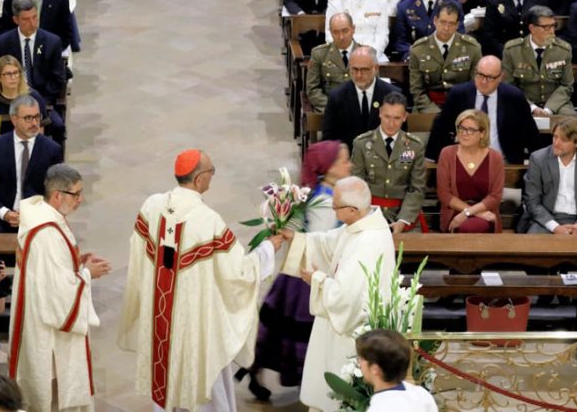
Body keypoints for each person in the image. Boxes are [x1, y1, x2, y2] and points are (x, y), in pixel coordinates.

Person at [118, 149, 286, 411]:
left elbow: (139, 253)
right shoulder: (208, 221)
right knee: (202, 382)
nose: (212, 176)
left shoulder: (151, 206)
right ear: (198, 179)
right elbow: (239, 273)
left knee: (165, 376)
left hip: (160, 319)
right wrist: (267, 249)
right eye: (211, 172)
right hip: (195, 324)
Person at [239, 140, 353, 401]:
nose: (350, 165)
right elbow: (320, 242)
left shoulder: (321, 191)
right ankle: (308, 387)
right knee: (302, 334)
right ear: (328, 167)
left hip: (295, 277)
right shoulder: (324, 200)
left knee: (278, 329)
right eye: (344, 160)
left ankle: (256, 371)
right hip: (307, 280)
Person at [279, 176, 396, 412]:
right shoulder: (359, 225)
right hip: (338, 324)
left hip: (352, 330)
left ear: (352, 209)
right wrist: (298, 239)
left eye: (336, 207)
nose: (333, 211)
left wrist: (317, 279)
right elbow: (328, 244)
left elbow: (347, 297)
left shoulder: (369, 241)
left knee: (340, 390)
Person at [10, 164, 111, 411]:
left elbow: (48, 270)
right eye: (76, 194)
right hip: (48, 330)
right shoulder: (46, 232)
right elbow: (58, 293)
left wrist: (78, 262)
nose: (80, 199)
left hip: (38, 314)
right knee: (52, 393)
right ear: (57, 195)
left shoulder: (43, 217)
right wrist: (87, 274)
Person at [426, 56, 540, 164]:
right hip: (464, 162)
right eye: (480, 75)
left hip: (504, 162)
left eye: (490, 77)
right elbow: (440, 128)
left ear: (500, 77)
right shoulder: (458, 94)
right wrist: (430, 160)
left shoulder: (514, 97)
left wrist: (540, 163)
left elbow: (530, 132)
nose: (484, 81)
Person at [0, 94, 62, 232]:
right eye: (28, 118)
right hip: (1, 216)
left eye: (37, 117)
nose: (34, 123)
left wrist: (32, 215)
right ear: (14, 119)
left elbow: (55, 191)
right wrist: (4, 213)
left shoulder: (52, 150)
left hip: (38, 216)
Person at [352, 92, 426, 234]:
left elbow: (417, 188)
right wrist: (367, 217)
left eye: (397, 118)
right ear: (380, 113)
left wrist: (403, 220)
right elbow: (357, 185)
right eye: (387, 117)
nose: (391, 123)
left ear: (405, 117)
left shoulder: (415, 146)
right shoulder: (362, 144)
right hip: (369, 212)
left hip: (403, 213)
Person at [437, 109, 505, 233]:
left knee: (472, 227)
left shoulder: (495, 157)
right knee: (468, 227)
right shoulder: (447, 153)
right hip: (455, 212)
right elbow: (444, 194)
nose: (464, 133)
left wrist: (470, 212)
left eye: (471, 130)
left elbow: (495, 197)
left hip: (485, 212)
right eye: (461, 128)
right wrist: (471, 212)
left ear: (482, 133)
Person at [322, 45, 400, 150]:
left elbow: (399, 139)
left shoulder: (392, 95)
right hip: (349, 157)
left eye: (364, 70)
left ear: (376, 68)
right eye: (354, 69)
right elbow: (328, 139)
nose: (358, 75)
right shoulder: (337, 97)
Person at [502, 5, 576, 116]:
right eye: (546, 27)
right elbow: (509, 86)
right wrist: (532, 107)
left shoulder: (563, 50)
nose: (552, 31)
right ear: (532, 28)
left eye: (553, 26)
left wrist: (549, 109)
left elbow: (567, 86)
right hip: (523, 103)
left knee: (571, 120)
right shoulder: (512, 50)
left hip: (556, 104)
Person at [408, 1, 481, 113]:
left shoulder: (472, 48)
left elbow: (475, 86)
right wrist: (434, 113)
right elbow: (417, 90)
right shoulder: (418, 49)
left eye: (451, 24)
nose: (446, 28)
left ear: (457, 25)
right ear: (435, 21)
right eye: (443, 22)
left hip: (462, 108)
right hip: (428, 108)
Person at [0, 0, 66, 105]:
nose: (32, 23)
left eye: (34, 17)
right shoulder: (3, 42)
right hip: (10, 99)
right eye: (26, 19)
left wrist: (39, 100)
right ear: (16, 20)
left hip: (43, 100)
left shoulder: (52, 42)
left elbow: (58, 79)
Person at [519, 116, 577, 234]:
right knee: (533, 242)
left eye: (563, 140)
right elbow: (532, 201)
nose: (556, 143)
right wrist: (555, 227)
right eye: (555, 137)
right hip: (546, 218)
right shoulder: (538, 159)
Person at [394, 0, 465, 60]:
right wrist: (412, 56)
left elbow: (460, 37)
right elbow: (401, 42)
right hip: (416, 60)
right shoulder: (405, 6)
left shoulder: (454, 5)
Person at [356, 329, 438, 412]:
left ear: (375, 369)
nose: (359, 363)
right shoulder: (422, 395)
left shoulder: (379, 409)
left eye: (361, 359)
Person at [0, 55, 49, 140]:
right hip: (1, 144)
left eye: (16, 73)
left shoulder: (33, 97)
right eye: (8, 74)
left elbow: (40, 132)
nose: (13, 77)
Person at [306, 12, 359, 112]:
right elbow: (312, 89)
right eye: (336, 32)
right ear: (330, 32)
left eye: (345, 31)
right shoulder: (319, 54)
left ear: (353, 29)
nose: (341, 37)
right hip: (329, 110)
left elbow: (373, 88)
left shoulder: (366, 54)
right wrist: (332, 107)